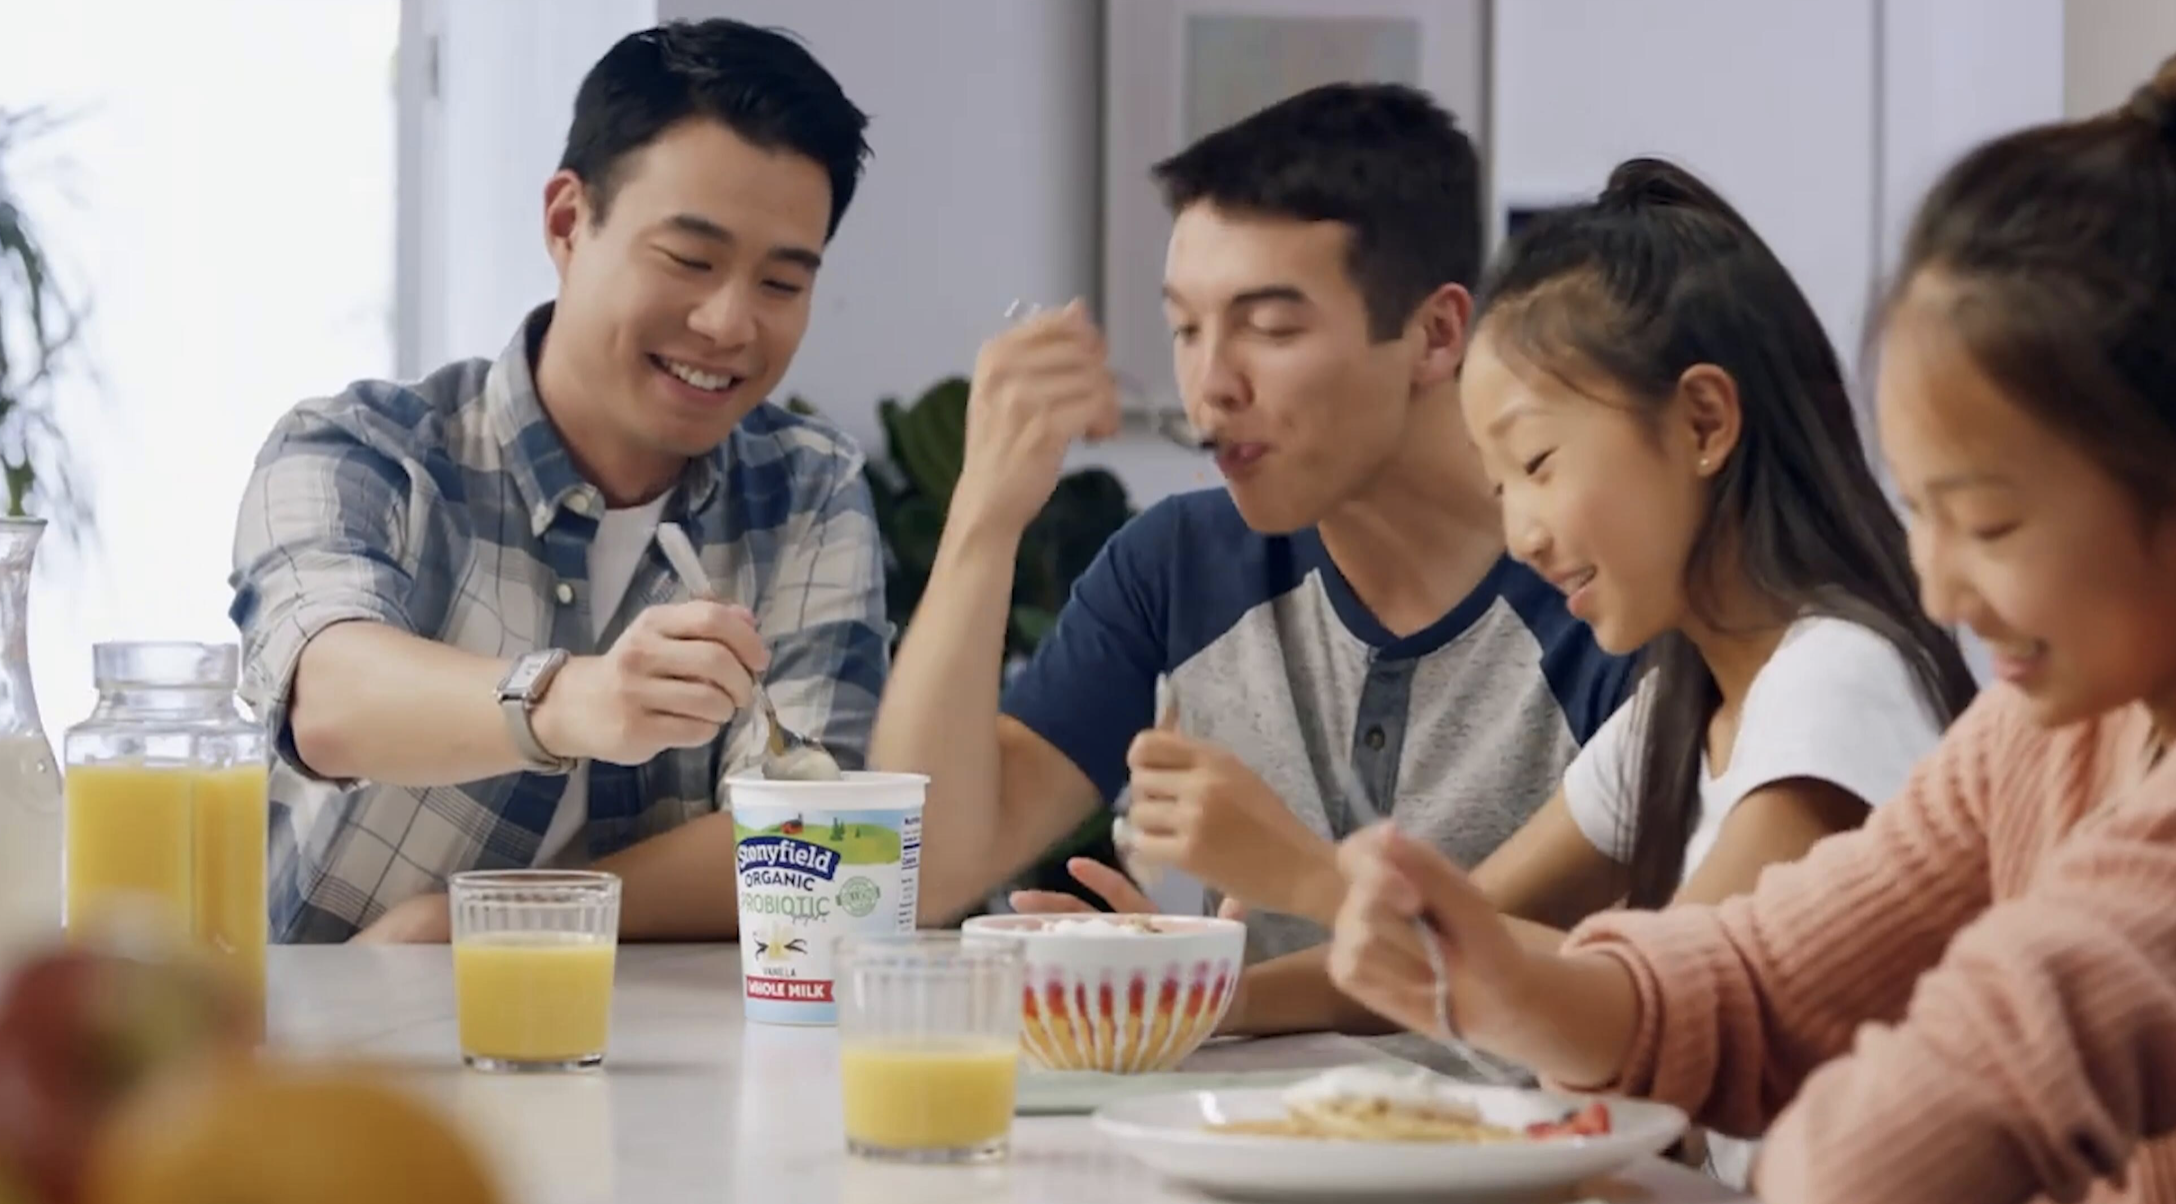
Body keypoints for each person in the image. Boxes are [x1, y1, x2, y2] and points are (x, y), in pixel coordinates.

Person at [1329, 59, 2176, 1204]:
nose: (1938, 590)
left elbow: (1969, 1080)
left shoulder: (1842, 671)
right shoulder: (2035, 736)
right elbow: (1755, 978)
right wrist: (1494, 980)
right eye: (1921, 512)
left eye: (1988, 520)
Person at [873, 83, 1633, 1037]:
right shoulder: (1177, 566)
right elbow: (923, 863)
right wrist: (984, 514)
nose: (1210, 386)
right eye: (1187, 329)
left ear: (1438, 334)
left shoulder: (1605, 594)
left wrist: (1200, 987)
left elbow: (1650, 986)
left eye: (1270, 328)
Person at [229, 20, 885, 943]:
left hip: (648, 1067)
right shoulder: (365, 449)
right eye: (690, 260)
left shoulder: (807, 493)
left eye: (781, 284)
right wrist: (576, 702)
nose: (729, 322)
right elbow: (330, 699)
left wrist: (471, 926)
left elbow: (805, 837)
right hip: (322, 1051)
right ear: (568, 223)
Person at [1448, 156, 1975, 1182]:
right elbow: (1470, 922)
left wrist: (1312, 880)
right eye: (1496, 484)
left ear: (1702, 422)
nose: (1517, 531)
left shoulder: (1837, 678)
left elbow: (1664, 1006)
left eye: (1538, 464)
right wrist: (1212, 987)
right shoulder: (1685, 697)